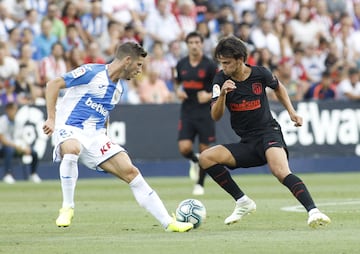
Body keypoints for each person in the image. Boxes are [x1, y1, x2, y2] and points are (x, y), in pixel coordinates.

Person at [42, 42, 193, 232]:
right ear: (127, 60)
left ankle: (168, 223)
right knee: (72, 149)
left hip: (95, 136)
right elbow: (53, 84)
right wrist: (51, 119)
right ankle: (67, 207)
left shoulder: (119, 90)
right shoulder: (91, 71)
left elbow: (103, 114)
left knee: (131, 172)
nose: (140, 70)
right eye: (138, 65)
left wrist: (104, 137)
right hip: (69, 127)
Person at [198, 36, 331, 228]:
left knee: (280, 171)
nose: (223, 67)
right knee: (205, 158)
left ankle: (313, 211)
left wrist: (292, 112)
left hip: (269, 133)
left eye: (227, 63)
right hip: (247, 142)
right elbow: (215, 116)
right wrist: (223, 96)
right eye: (221, 63)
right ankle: (243, 202)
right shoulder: (220, 79)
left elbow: (279, 88)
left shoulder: (260, 74)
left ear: (240, 59)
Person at [175, 31, 218, 195]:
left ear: (202, 44)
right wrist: (178, 92)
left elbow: (219, 87)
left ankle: (200, 184)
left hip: (205, 113)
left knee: (205, 150)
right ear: (187, 45)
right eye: (191, 42)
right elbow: (177, 83)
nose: (194, 45)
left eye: (197, 42)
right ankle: (194, 160)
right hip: (187, 110)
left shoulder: (210, 65)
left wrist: (208, 95)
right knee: (184, 148)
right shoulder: (181, 64)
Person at [0, 102, 41, 184]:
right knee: (9, 150)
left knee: (34, 152)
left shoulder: (18, 122)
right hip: (3, 148)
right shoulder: (2, 121)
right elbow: (2, 139)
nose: (14, 112)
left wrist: (27, 146)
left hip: (17, 147)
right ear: (8, 110)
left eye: (15, 110)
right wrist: (15, 146)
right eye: (13, 110)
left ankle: (33, 174)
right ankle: (8, 175)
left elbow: (22, 137)